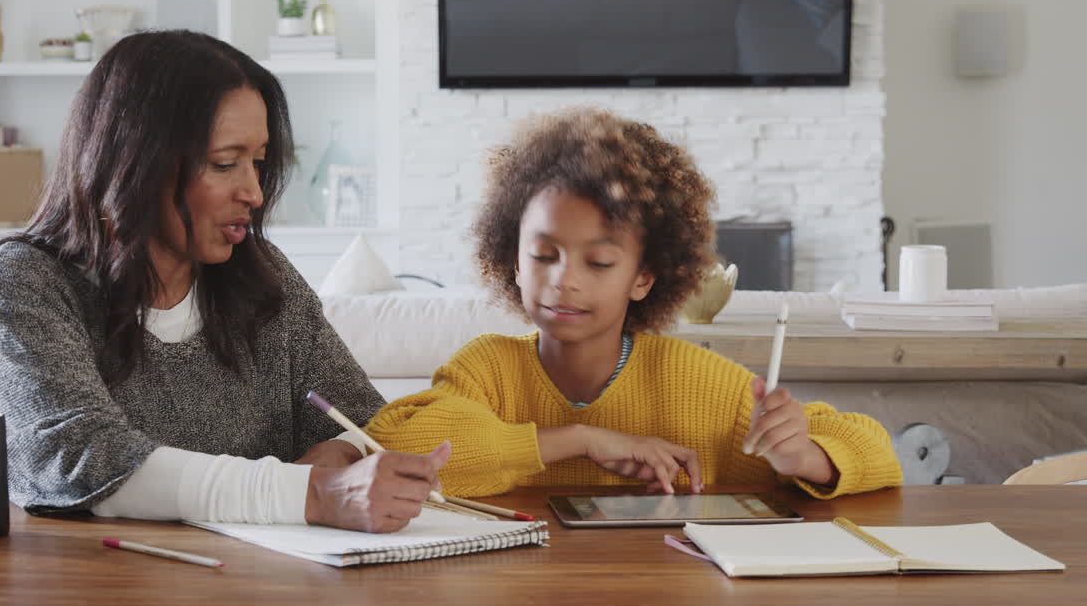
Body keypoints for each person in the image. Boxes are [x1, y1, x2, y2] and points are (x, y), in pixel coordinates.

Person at [0, 30, 447, 533]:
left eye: (259, 162)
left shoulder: (264, 273)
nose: (255, 192)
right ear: (137, 163)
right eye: (224, 164)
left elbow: (360, 417)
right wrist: (313, 495)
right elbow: (80, 458)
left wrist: (341, 452)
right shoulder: (25, 281)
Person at [366, 107, 902, 498]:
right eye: (543, 255)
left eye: (598, 263)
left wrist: (804, 457)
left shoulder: (700, 383)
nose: (564, 281)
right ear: (511, 260)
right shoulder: (486, 370)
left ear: (644, 278)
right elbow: (398, 450)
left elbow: (877, 452)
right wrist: (582, 439)